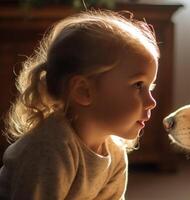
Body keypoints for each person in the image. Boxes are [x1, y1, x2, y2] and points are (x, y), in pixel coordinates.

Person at [0, 10, 159, 199]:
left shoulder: (115, 153)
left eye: (150, 87)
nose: (152, 102)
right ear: (84, 91)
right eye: (138, 85)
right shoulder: (49, 150)